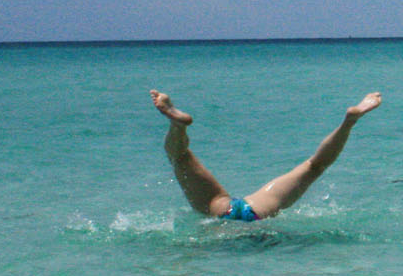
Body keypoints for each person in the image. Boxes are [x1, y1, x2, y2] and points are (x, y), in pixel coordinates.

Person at [150, 89, 382, 221]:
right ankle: (349, 122)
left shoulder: (215, 207)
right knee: (315, 165)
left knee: (179, 157)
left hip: (222, 212)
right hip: (256, 214)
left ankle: (177, 125)